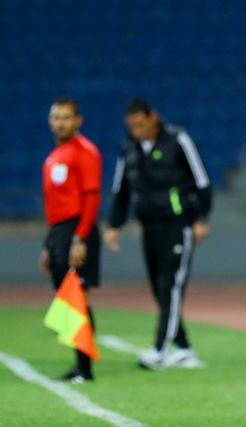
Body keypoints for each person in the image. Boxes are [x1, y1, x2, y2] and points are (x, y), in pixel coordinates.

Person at [105, 99, 211, 370]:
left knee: (171, 286)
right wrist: (114, 225)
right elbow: (121, 189)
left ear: (153, 117)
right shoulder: (129, 147)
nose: (137, 131)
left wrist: (200, 218)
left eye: (140, 125)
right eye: (132, 126)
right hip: (148, 225)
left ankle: (159, 349)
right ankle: (184, 348)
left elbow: (201, 180)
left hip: (178, 225)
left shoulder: (177, 140)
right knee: (159, 290)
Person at [40, 98, 103, 383]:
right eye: (56, 118)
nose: (61, 123)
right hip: (59, 231)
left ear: (78, 121)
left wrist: (80, 238)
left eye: (66, 118)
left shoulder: (85, 151)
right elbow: (54, 203)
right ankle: (80, 362)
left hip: (77, 228)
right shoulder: (55, 155)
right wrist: (48, 244)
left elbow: (91, 198)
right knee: (67, 297)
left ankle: (84, 367)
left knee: (78, 296)